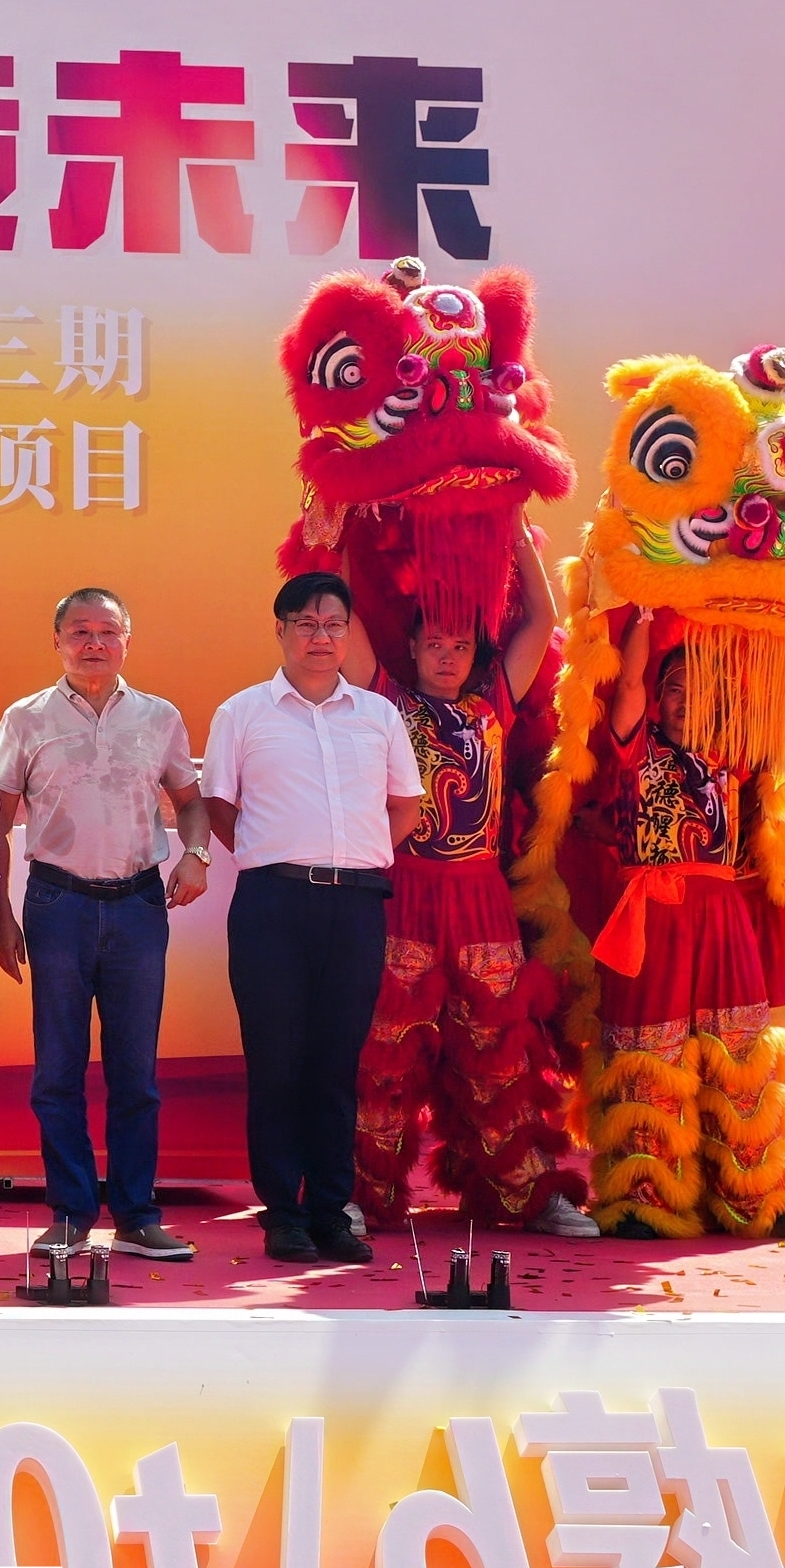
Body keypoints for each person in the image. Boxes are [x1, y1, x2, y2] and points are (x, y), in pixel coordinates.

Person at [343, 524, 598, 1239]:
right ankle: (361, 1194)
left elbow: (542, 619)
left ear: (476, 654)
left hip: (481, 896)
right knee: (385, 1053)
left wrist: (515, 534)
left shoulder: (493, 706)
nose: (447, 656)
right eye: (434, 643)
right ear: (412, 648)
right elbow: (348, 615)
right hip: (404, 892)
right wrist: (338, 533)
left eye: (460, 645)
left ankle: (528, 1193)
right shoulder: (386, 703)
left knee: (498, 1047)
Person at [204, 571, 424, 1266]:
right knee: (276, 1062)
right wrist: (271, 852)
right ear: (281, 630)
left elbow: (405, 804)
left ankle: (331, 1211)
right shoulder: (242, 713)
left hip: (355, 904)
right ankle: (282, 1214)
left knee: (335, 1063)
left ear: (348, 633)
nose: (320, 636)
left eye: (333, 624)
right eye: (305, 623)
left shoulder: (377, 715)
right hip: (272, 904)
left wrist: (356, 856)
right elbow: (218, 805)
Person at [0, 586, 204, 1262]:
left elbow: (190, 802)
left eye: (107, 631)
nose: (93, 643)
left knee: (135, 1072)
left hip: (137, 905)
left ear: (126, 641)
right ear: (56, 641)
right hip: (58, 905)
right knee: (57, 1069)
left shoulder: (159, 717)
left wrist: (195, 854)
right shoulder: (25, 718)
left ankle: (136, 1214)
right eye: (79, 631)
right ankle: (71, 1212)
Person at [592, 604, 785, 1240]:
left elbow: (776, 689)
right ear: (658, 696)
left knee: (740, 1053)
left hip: (723, 913)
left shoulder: (731, 753)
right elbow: (628, 681)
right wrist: (647, 613)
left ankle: (751, 1198)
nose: (685, 700)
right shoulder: (636, 745)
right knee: (651, 1057)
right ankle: (644, 1198)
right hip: (654, 914)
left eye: (700, 688)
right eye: (674, 687)